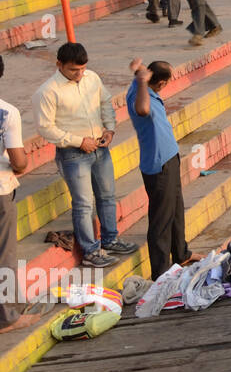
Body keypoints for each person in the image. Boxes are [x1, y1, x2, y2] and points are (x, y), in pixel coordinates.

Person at [34, 43, 136, 268]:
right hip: (73, 153)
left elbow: (105, 103)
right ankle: (90, 251)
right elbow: (46, 128)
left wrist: (109, 128)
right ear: (59, 65)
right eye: (73, 70)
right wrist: (80, 141)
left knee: (107, 196)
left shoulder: (91, 78)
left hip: (100, 146)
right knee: (83, 204)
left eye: (82, 69)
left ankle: (110, 240)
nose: (79, 74)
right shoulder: (48, 91)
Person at [126, 58, 187, 277]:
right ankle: (160, 273)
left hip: (170, 157)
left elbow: (143, 72)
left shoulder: (143, 83)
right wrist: (141, 80)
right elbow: (142, 110)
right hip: (159, 164)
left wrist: (139, 71)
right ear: (160, 83)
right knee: (161, 220)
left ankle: (182, 253)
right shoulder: (140, 94)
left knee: (177, 209)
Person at [0, 55, 32, 331]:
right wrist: (23, 163)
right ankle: (8, 316)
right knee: (4, 254)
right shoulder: (6, 112)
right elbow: (19, 162)